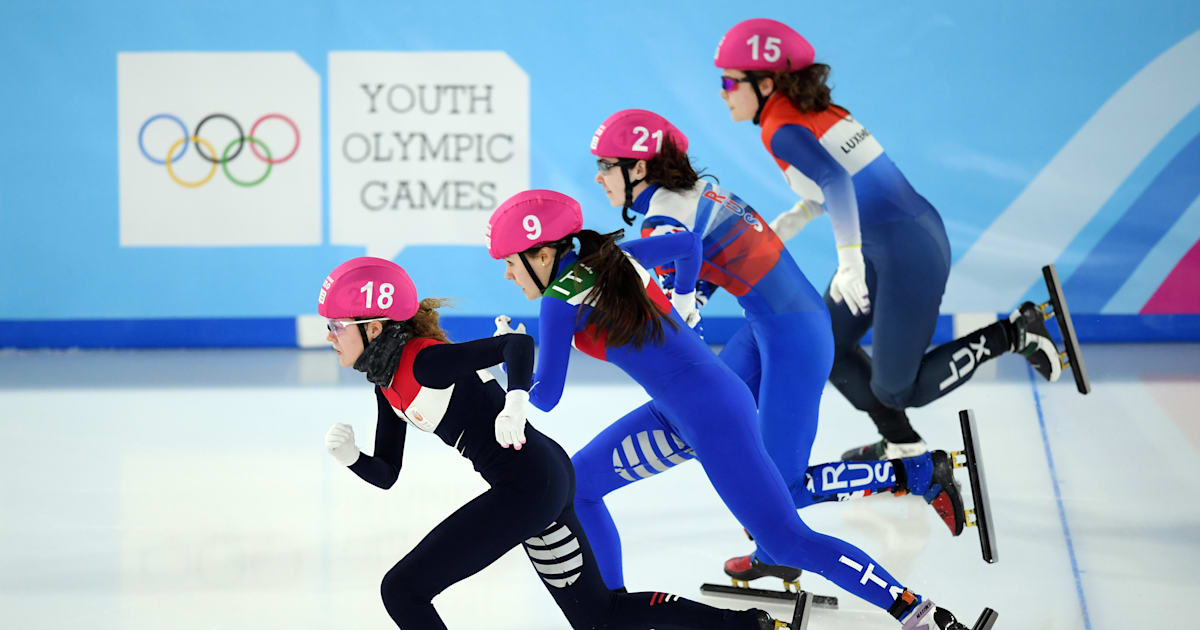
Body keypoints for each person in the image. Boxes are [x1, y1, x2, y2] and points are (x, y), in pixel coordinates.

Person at [487, 189, 990, 629]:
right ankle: (617, 615)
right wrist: (684, 300)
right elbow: (689, 245)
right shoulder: (613, 257)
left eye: (511, 261)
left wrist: (507, 359)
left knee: (789, 541)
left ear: (542, 252)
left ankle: (920, 614)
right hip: (687, 409)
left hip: (710, 418)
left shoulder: (557, 301)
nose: (509, 274)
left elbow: (546, 395)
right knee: (581, 486)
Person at [583, 108, 968, 587]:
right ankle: (774, 548)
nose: (598, 177)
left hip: (791, 339)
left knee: (778, 488)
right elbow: (700, 274)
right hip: (774, 327)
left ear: (638, 168)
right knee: (725, 432)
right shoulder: (690, 194)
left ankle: (918, 474)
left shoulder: (663, 220)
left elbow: (670, 319)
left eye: (605, 165)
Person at [318, 256, 783, 630]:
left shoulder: (426, 363)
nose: (329, 336)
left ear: (374, 327)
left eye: (336, 325)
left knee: (402, 590)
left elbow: (514, 348)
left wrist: (516, 400)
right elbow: (386, 474)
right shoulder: (386, 384)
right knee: (600, 616)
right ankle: (748, 626)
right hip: (540, 481)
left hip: (527, 488)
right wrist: (353, 458)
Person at [714, 17, 1064, 460]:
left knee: (900, 388)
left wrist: (848, 262)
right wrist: (802, 213)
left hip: (904, 250)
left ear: (765, 82)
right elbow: (857, 179)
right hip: (888, 241)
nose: (722, 92)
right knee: (827, 345)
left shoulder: (779, 127)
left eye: (729, 80)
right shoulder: (810, 109)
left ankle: (1015, 332)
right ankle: (901, 443)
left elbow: (837, 180)